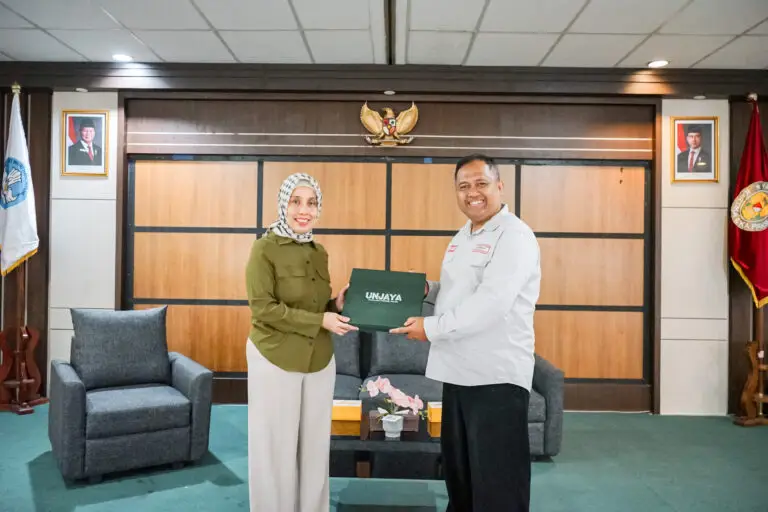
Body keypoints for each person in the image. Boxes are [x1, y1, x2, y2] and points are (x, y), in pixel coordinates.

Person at [391, 154, 541, 512]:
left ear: (499, 186)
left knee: (497, 487)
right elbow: (460, 292)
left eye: (481, 183)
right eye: (463, 186)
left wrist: (430, 328)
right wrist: (427, 289)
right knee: (462, 482)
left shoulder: (514, 236)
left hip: (496, 378)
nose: (472, 192)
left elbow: (491, 303)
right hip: (459, 374)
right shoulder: (463, 235)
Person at [245, 172, 357, 512]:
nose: (304, 210)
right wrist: (319, 320)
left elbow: (315, 307)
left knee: (314, 449)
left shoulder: (318, 252)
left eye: (311, 203)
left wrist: (335, 306)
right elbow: (263, 309)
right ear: (284, 205)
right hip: (275, 357)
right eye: (296, 202)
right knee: (275, 450)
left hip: (319, 359)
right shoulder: (264, 249)